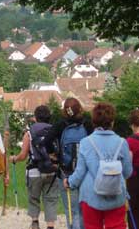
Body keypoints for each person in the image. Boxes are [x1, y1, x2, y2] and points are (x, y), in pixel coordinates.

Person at [65, 102, 133, 229]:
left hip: (91, 195)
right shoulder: (122, 143)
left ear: (94, 122)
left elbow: (80, 173)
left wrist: (69, 182)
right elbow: (127, 172)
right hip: (116, 194)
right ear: (112, 122)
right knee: (117, 225)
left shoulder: (86, 143)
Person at [41, 97, 92, 229]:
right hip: (85, 172)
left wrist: (55, 156)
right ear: (80, 108)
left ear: (64, 111)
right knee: (84, 210)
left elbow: (46, 142)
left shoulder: (60, 125)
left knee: (71, 210)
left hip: (66, 172)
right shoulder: (87, 124)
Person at [10, 105, 59, 229]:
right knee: (51, 199)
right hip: (52, 171)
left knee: (33, 198)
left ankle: (35, 222)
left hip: (34, 171)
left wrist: (14, 159)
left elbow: (23, 154)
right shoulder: (55, 130)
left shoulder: (29, 133)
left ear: (35, 118)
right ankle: (50, 226)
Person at [127, 109, 139, 229]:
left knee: (133, 212)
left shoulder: (129, 141)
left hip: (134, 180)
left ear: (133, 125)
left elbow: (127, 164)